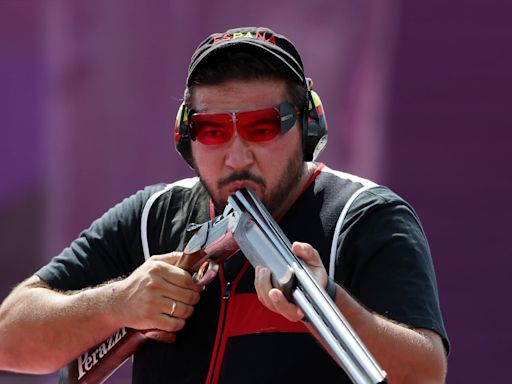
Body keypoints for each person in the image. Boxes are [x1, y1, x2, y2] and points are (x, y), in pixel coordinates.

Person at [0, 27, 449, 383]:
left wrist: (328, 304)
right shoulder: (152, 217)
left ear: (308, 127)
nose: (237, 156)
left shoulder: (361, 216)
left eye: (261, 127)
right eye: (213, 131)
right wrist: (120, 303)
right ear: (186, 138)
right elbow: (10, 337)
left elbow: (426, 372)